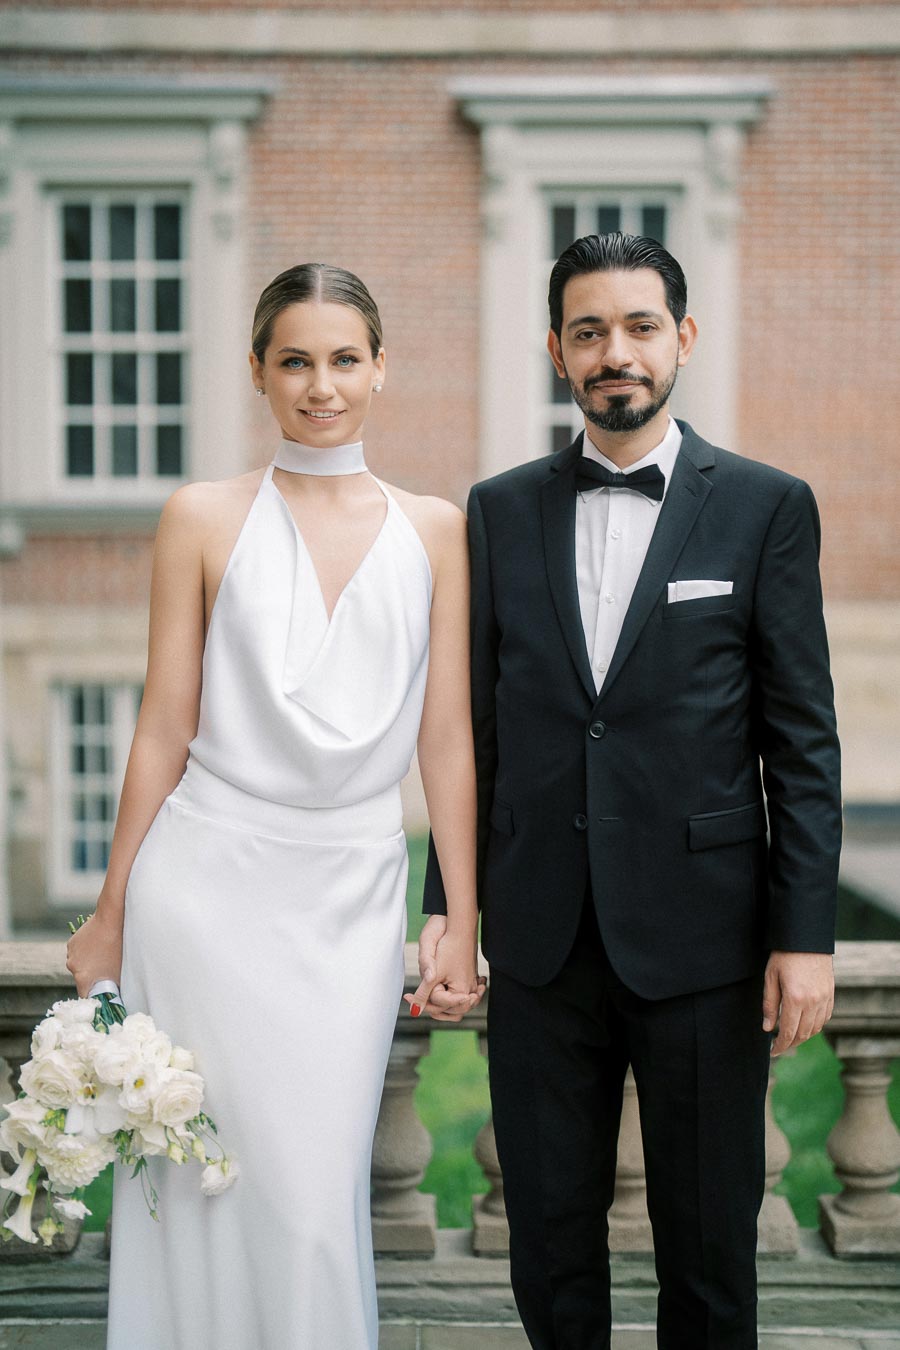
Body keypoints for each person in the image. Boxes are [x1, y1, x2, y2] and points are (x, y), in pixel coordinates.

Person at [418, 233, 842, 1348]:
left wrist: (807, 937)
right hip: (542, 935)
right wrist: (446, 909)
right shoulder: (497, 511)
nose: (619, 352)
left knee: (709, 1253)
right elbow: (474, 726)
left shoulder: (765, 507)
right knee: (550, 1249)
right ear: (558, 351)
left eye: (641, 327)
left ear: (683, 340)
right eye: (591, 331)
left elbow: (802, 742)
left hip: (707, 942)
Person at [66, 262, 483, 1349]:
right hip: (203, 890)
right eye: (294, 360)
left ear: (381, 369)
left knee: (306, 1201)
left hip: (349, 897)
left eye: (344, 358)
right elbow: (163, 724)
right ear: (257, 370)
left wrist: (462, 918)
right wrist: (111, 910)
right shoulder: (200, 517)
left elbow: (447, 739)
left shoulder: (436, 529)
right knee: (192, 1182)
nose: (320, 384)